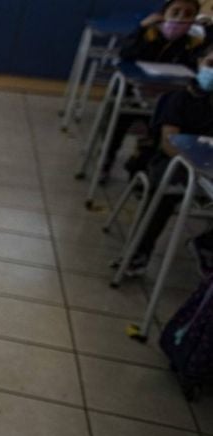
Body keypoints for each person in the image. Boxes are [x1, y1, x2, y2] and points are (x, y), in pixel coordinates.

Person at [112, 44, 213, 278]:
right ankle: (139, 252)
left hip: (209, 172)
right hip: (176, 164)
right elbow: (169, 144)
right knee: (167, 192)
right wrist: (196, 167)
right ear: (199, 63)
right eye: (211, 64)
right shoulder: (180, 99)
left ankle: (206, 244)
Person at [99, 0, 212, 182]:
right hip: (134, 92)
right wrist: (142, 29)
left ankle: (139, 167)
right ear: (163, 13)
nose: (180, 18)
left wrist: (206, 28)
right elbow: (126, 54)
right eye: (175, 12)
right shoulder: (150, 33)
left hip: (168, 97)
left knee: (158, 129)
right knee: (121, 121)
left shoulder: (193, 41)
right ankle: (106, 159)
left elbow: (196, 66)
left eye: (188, 14)